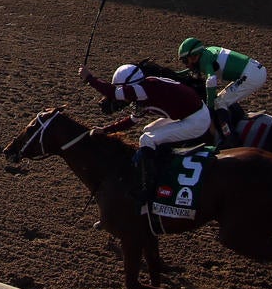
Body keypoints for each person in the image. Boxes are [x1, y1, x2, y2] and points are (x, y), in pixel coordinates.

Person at [78, 63, 211, 201]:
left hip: (197, 121)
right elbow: (132, 120)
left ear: (130, 85)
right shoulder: (145, 89)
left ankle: (148, 187)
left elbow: (112, 92)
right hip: (192, 115)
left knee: (146, 139)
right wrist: (106, 130)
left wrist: (89, 78)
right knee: (148, 130)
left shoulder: (145, 89)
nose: (124, 97)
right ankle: (160, 165)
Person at [176, 37, 267, 135]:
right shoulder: (207, 52)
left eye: (185, 61)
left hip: (252, 76)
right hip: (254, 71)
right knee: (223, 97)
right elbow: (194, 69)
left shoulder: (204, 61)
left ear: (195, 57)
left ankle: (229, 137)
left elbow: (211, 81)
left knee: (219, 102)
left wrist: (210, 107)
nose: (185, 65)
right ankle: (237, 118)